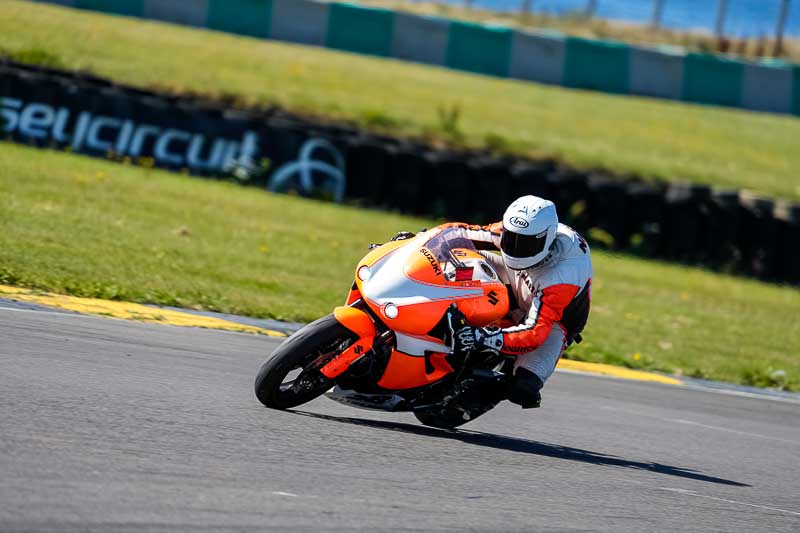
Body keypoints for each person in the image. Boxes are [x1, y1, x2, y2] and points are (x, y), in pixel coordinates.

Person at [444, 195, 593, 409]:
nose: (514, 247)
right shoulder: (520, 229)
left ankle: (481, 390)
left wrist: (483, 337)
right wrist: (418, 242)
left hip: (554, 323)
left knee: (524, 387)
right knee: (456, 260)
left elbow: (534, 333)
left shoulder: (564, 274)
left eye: (525, 244)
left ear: (546, 239)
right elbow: (460, 232)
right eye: (510, 238)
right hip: (514, 277)